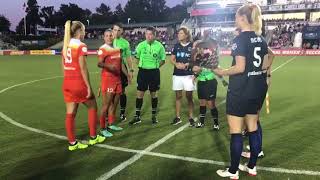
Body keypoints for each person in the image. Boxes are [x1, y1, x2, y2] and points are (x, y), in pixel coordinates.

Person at [214, 4, 271, 179]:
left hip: (240, 90)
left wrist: (222, 71)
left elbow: (239, 68)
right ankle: (252, 167)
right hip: (257, 89)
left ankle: (233, 171)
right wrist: (263, 73)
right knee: (253, 128)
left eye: (236, 17)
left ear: (242, 19)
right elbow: (268, 59)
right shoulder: (261, 39)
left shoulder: (239, 40)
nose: (234, 19)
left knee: (236, 132)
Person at [61, 20, 105, 151]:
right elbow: (83, 68)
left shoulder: (66, 45)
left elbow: (63, 66)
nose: (85, 33)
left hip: (67, 82)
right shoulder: (81, 45)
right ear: (79, 31)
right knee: (92, 107)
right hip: (78, 82)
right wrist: (88, 87)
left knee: (70, 113)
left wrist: (67, 79)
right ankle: (93, 137)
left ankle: (72, 144)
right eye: (84, 30)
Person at [129, 27, 166, 125]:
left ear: (155, 35)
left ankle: (153, 116)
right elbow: (136, 58)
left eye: (151, 34)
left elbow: (163, 60)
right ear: (145, 35)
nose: (148, 36)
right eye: (147, 34)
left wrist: (155, 66)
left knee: (154, 94)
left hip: (154, 73)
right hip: (143, 72)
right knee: (140, 94)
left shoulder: (160, 46)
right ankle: (137, 116)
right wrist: (143, 66)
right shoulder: (141, 45)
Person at [98, 29, 130, 137]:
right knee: (106, 105)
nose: (109, 37)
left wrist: (127, 74)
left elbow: (120, 65)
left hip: (117, 80)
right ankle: (102, 128)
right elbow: (99, 63)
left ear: (113, 36)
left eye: (110, 35)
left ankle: (111, 124)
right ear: (104, 37)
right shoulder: (103, 49)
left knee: (114, 103)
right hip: (108, 80)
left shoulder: (117, 49)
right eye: (106, 35)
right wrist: (109, 66)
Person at [191, 39, 220, 130]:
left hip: (210, 81)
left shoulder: (210, 55)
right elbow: (195, 68)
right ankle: (201, 122)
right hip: (201, 82)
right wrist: (195, 75)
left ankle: (216, 124)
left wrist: (199, 69)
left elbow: (214, 66)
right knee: (202, 103)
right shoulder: (198, 56)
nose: (196, 49)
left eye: (197, 47)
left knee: (211, 104)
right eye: (195, 48)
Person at [170, 27, 196, 126]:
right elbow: (172, 59)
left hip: (189, 75)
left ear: (186, 35)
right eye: (178, 33)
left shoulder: (192, 46)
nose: (179, 35)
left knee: (189, 96)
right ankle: (177, 117)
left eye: (181, 33)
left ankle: (191, 117)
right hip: (177, 75)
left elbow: (195, 60)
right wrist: (176, 64)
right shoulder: (176, 46)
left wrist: (187, 65)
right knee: (178, 96)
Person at [112, 23, 134, 121]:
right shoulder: (109, 40)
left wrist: (131, 69)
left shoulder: (125, 43)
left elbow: (128, 58)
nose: (116, 32)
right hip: (110, 69)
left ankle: (122, 112)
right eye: (115, 30)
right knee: (110, 92)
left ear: (122, 31)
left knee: (121, 92)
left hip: (121, 69)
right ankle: (110, 114)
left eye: (118, 30)